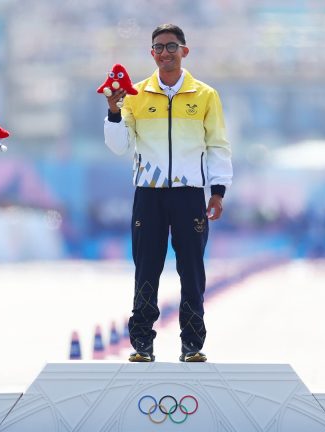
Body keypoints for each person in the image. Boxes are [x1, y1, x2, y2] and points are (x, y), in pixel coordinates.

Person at [103, 24, 233, 363]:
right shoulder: (136, 94)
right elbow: (120, 147)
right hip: (149, 193)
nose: (165, 52)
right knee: (146, 268)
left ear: (184, 51)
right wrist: (114, 112)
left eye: (171, 46)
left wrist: (217, 192)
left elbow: (217, 144)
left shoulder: (205, 95)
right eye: (158, 47)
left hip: (189, 194)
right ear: (152, 53)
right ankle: (142, 343)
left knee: (191, 269)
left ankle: (192, 344)